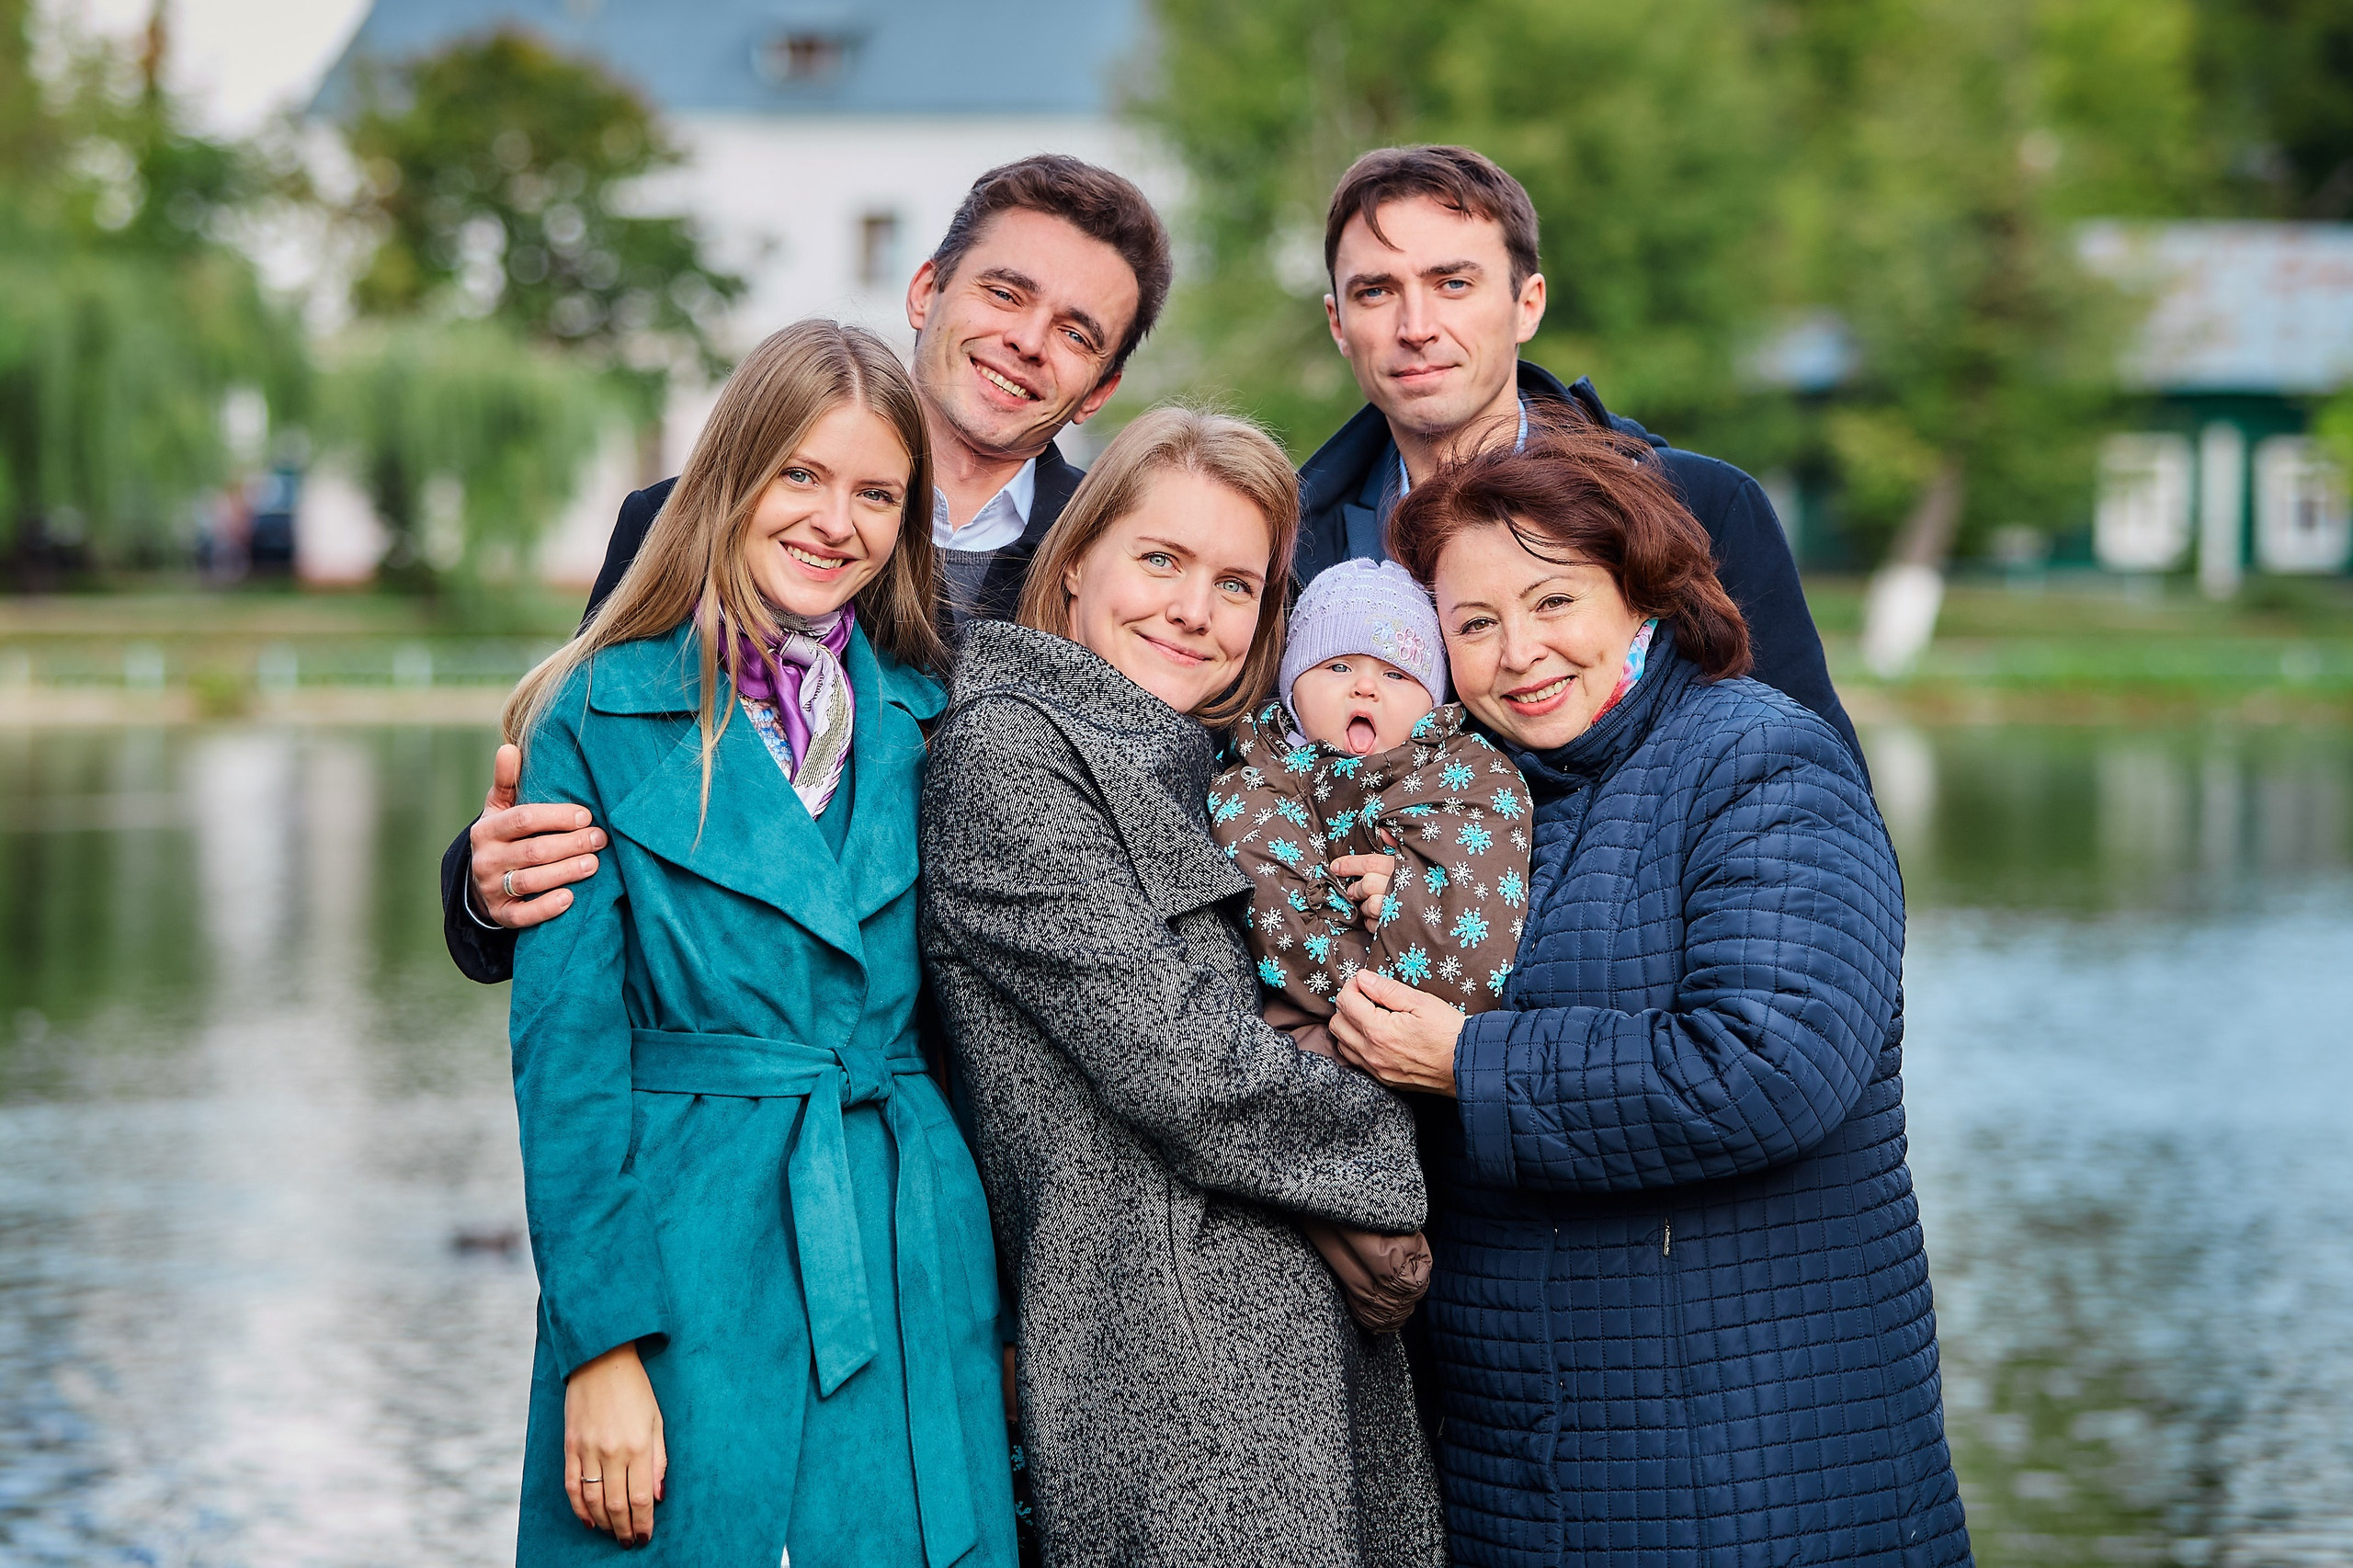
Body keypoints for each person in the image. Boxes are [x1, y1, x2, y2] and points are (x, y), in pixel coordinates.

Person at [1327, 422, 1970, 1565]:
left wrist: (1466, 1060)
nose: (1518, 651)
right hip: (1521, 1465)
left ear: (1640, 593)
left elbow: (1767, 1065)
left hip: (1749, 1466)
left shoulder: (1760, 760)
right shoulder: (1472, 805)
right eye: (1474, 622)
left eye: (1553, 600)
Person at [501, 320, 1016, 1565]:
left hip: (903, 1231)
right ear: (733, 473)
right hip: (682, 1247)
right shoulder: (597, 711)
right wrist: (600, 1346)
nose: (835, 521)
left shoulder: (934, 718)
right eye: (802, 473)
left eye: (876, 493)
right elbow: (566, 1062)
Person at [917, 406, 1447, 1567]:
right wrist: (1396, 1149)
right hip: (1175, 1373)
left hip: (1281, 1344)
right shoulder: (1010, 750)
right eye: (1160, 559)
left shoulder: (1217, 760)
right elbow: (1176, 1054)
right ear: (1073, 565)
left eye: (1235, 584)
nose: (1193, 610)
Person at [442, 153, 1172, 981]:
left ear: (1100, 390)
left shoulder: (1125, 580)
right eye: (1005, 293)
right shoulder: (693, 524)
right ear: (925, 291)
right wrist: (487, 887)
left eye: (1076, 333)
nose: (1028, 342)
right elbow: (587, 798)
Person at [1293, 143, 1862, 767]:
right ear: (1338, 323)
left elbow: (1819, 780)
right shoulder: (1288, 553)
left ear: (1527, 305)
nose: (1416, 326)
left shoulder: (1703, 509)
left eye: (1453, 283)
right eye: (1376, 291)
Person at [1210, 558, 1534, 1332]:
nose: (1365, 687)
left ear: (1434, 699)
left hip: (1446, 1042)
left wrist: (1409, 897)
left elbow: (1483, 926)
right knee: (1291, 1068)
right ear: (1291, 686)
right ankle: (1375, 1251)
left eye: (1396, 672)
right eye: (1337, 666)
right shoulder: (1258, 774)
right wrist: (1378, 968)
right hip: (1314, 1017)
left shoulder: (1467, 772)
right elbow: (1278, 914)